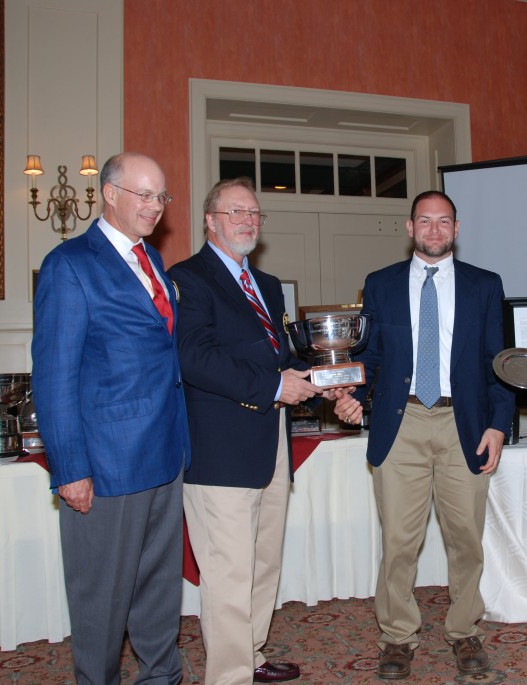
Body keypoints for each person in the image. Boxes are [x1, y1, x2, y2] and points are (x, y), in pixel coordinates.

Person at [333, 190, 515, 680]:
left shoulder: (485, 285)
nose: (434, 231)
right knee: (398, 541)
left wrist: (500, 423)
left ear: (457, 228)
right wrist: (352, 394)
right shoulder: (381, 284)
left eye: (444, 222)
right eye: (425, 222)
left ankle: (464, 632)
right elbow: (369, 360)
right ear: (409, 228)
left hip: (467, 425)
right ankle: (396, 636)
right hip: (402, 423)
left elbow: (499, 362)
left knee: (466, 540)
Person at [168, 177, 334, 684]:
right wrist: (271, 386)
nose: (248, 221)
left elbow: (279, 357)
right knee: (228, 572)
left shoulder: (265, 284)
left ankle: (252, 654)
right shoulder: (188, 278)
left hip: (271, 443)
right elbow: (194, 357)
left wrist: (327, 379)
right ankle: (229, 675)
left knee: (263, 563)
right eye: (236, 211)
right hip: (220, 450)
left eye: (255, 214)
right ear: (209, 220)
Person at [31, 152, 189, 685]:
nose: (154, 206)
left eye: (160, 196)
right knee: (102, 596)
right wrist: (70, 467)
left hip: (165, 454)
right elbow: (55, 375)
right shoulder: (70, 264)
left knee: (158, 589)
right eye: (143, 194)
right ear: (110, 194)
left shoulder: (153, 263)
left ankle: (161, 676)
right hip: (107, 463)